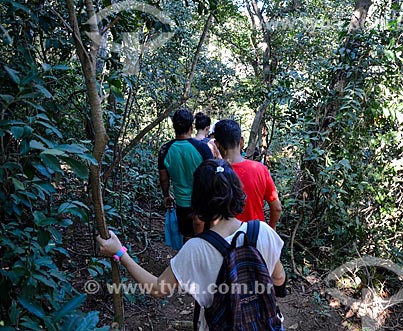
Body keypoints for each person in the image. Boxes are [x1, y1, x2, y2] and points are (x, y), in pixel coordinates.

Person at [97, 159, 287, 330]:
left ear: (198, 199)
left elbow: (158, 289)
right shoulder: (263, 231)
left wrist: (121, 253)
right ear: (236, 191)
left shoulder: (195, 249)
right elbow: (279, 278)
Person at [213, 119, 282, 230]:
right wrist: (271, 228)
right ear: (241, 142)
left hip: (223, 238)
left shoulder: (212, 172)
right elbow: (277, 208)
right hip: (255, 236)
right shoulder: (260, 170)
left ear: (217, 144)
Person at [158, 109, 213, 240]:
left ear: (174, 127)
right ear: (191, 127)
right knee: (204, 237)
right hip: (201, 201)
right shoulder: (202, 148)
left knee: (187, 236)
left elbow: (164, 178)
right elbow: (212, 176)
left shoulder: (165, 150)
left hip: (182, 202)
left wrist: (166, 195)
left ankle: (188, 259)